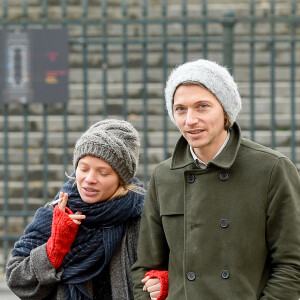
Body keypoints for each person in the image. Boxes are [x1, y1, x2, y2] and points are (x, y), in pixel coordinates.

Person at [131, 59, 300, 299]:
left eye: (202, 106)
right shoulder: (164, 175)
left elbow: (292, 264)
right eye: (180, 109)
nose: (190, 120)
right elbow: (146, 268)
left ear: (225, 111)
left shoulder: (272, 169)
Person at [6, 119, 162, 300]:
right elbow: (16, 279)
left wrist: (162, 283)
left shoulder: (141, 217)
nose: (89, 179)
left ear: (121, 179)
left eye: (103, 173)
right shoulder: (56, 212)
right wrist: (54, 249)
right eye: (83, 168)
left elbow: (171, 270)